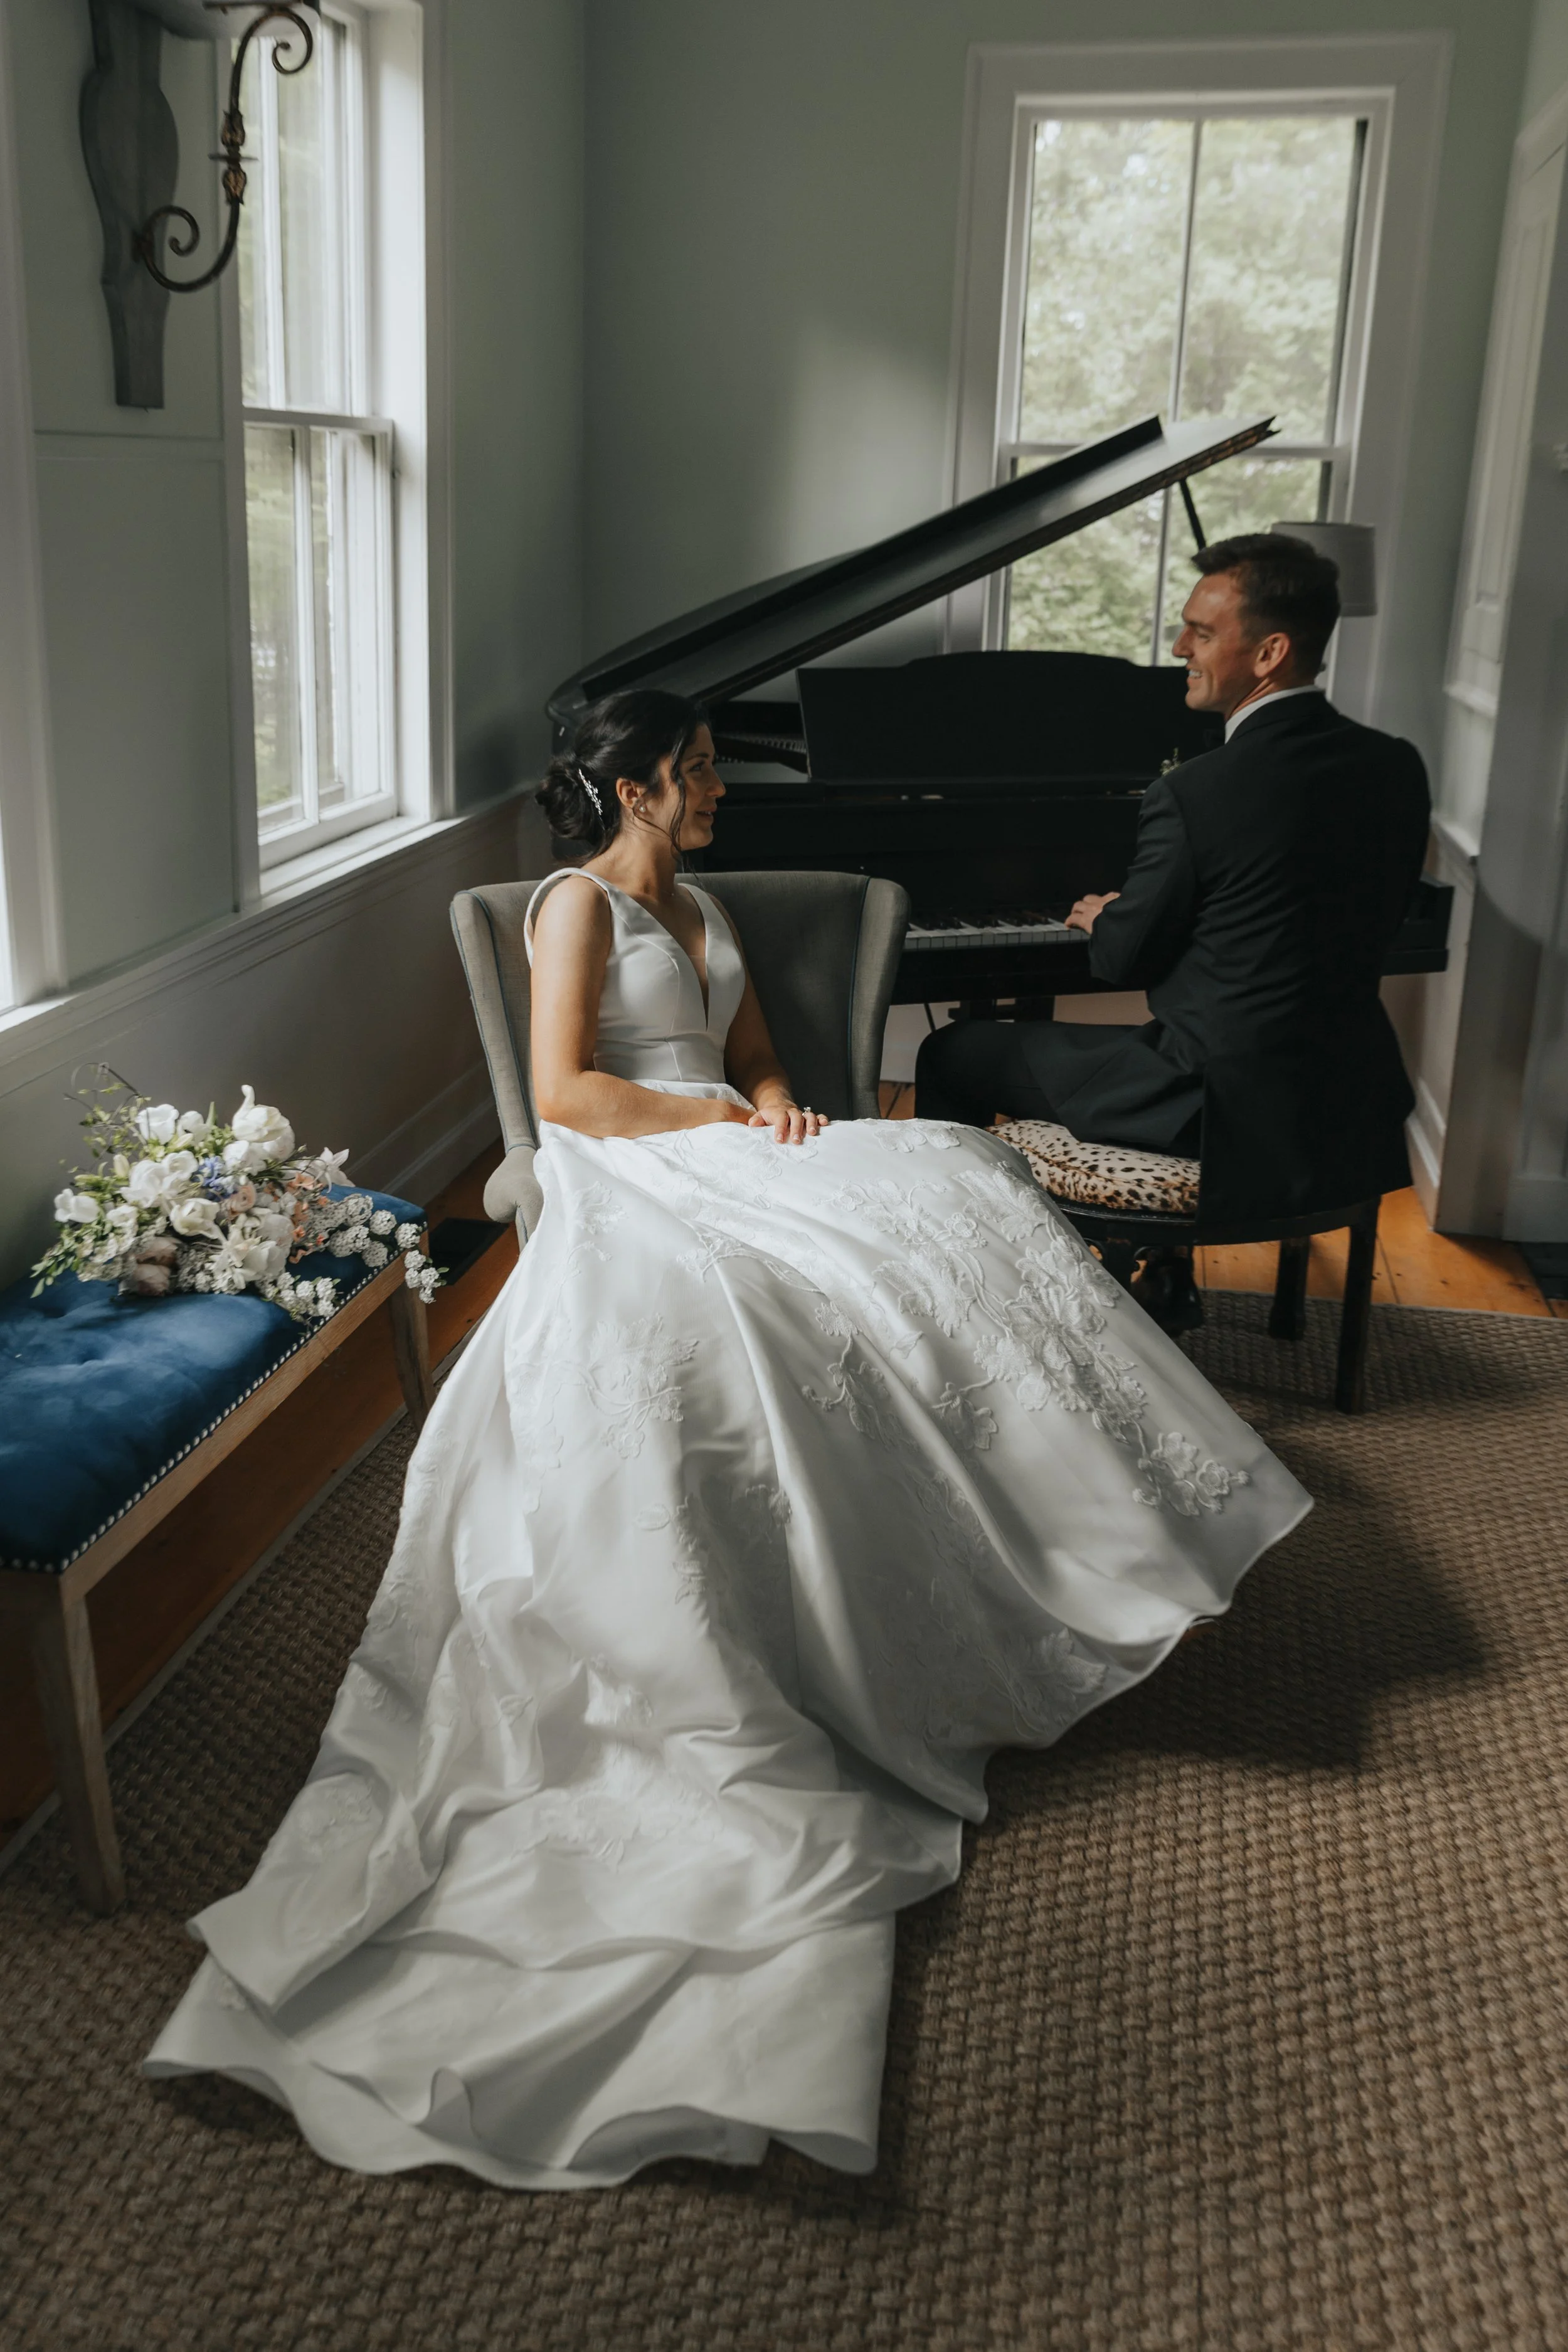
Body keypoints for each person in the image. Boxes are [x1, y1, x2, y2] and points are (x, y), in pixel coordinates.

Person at [147, 688, 1310, 2189]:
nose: (716, 789)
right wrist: (715, 1131)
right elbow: (564, 1089)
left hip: (734, 1142)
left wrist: (779, 1111)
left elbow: (758, 1055)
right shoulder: (570, 907)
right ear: (632, 786)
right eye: (696, 771)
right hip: (631, 1164)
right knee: (761, 1303)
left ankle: (1059, 1523)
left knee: (959, 1189)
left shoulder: (695, 902)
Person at [914, 534, 1432, 1330]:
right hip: (1345, 1096)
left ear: (1269, 652)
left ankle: (968, 1295)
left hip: (1216, 1105)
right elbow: (1340, 918)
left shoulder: (1198, 792)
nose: (1178, 646)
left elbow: (1122, 955)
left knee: (950, 1052)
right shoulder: (1394, 765)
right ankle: (1158, 1271)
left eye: (1200, 631)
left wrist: (1109, 915)